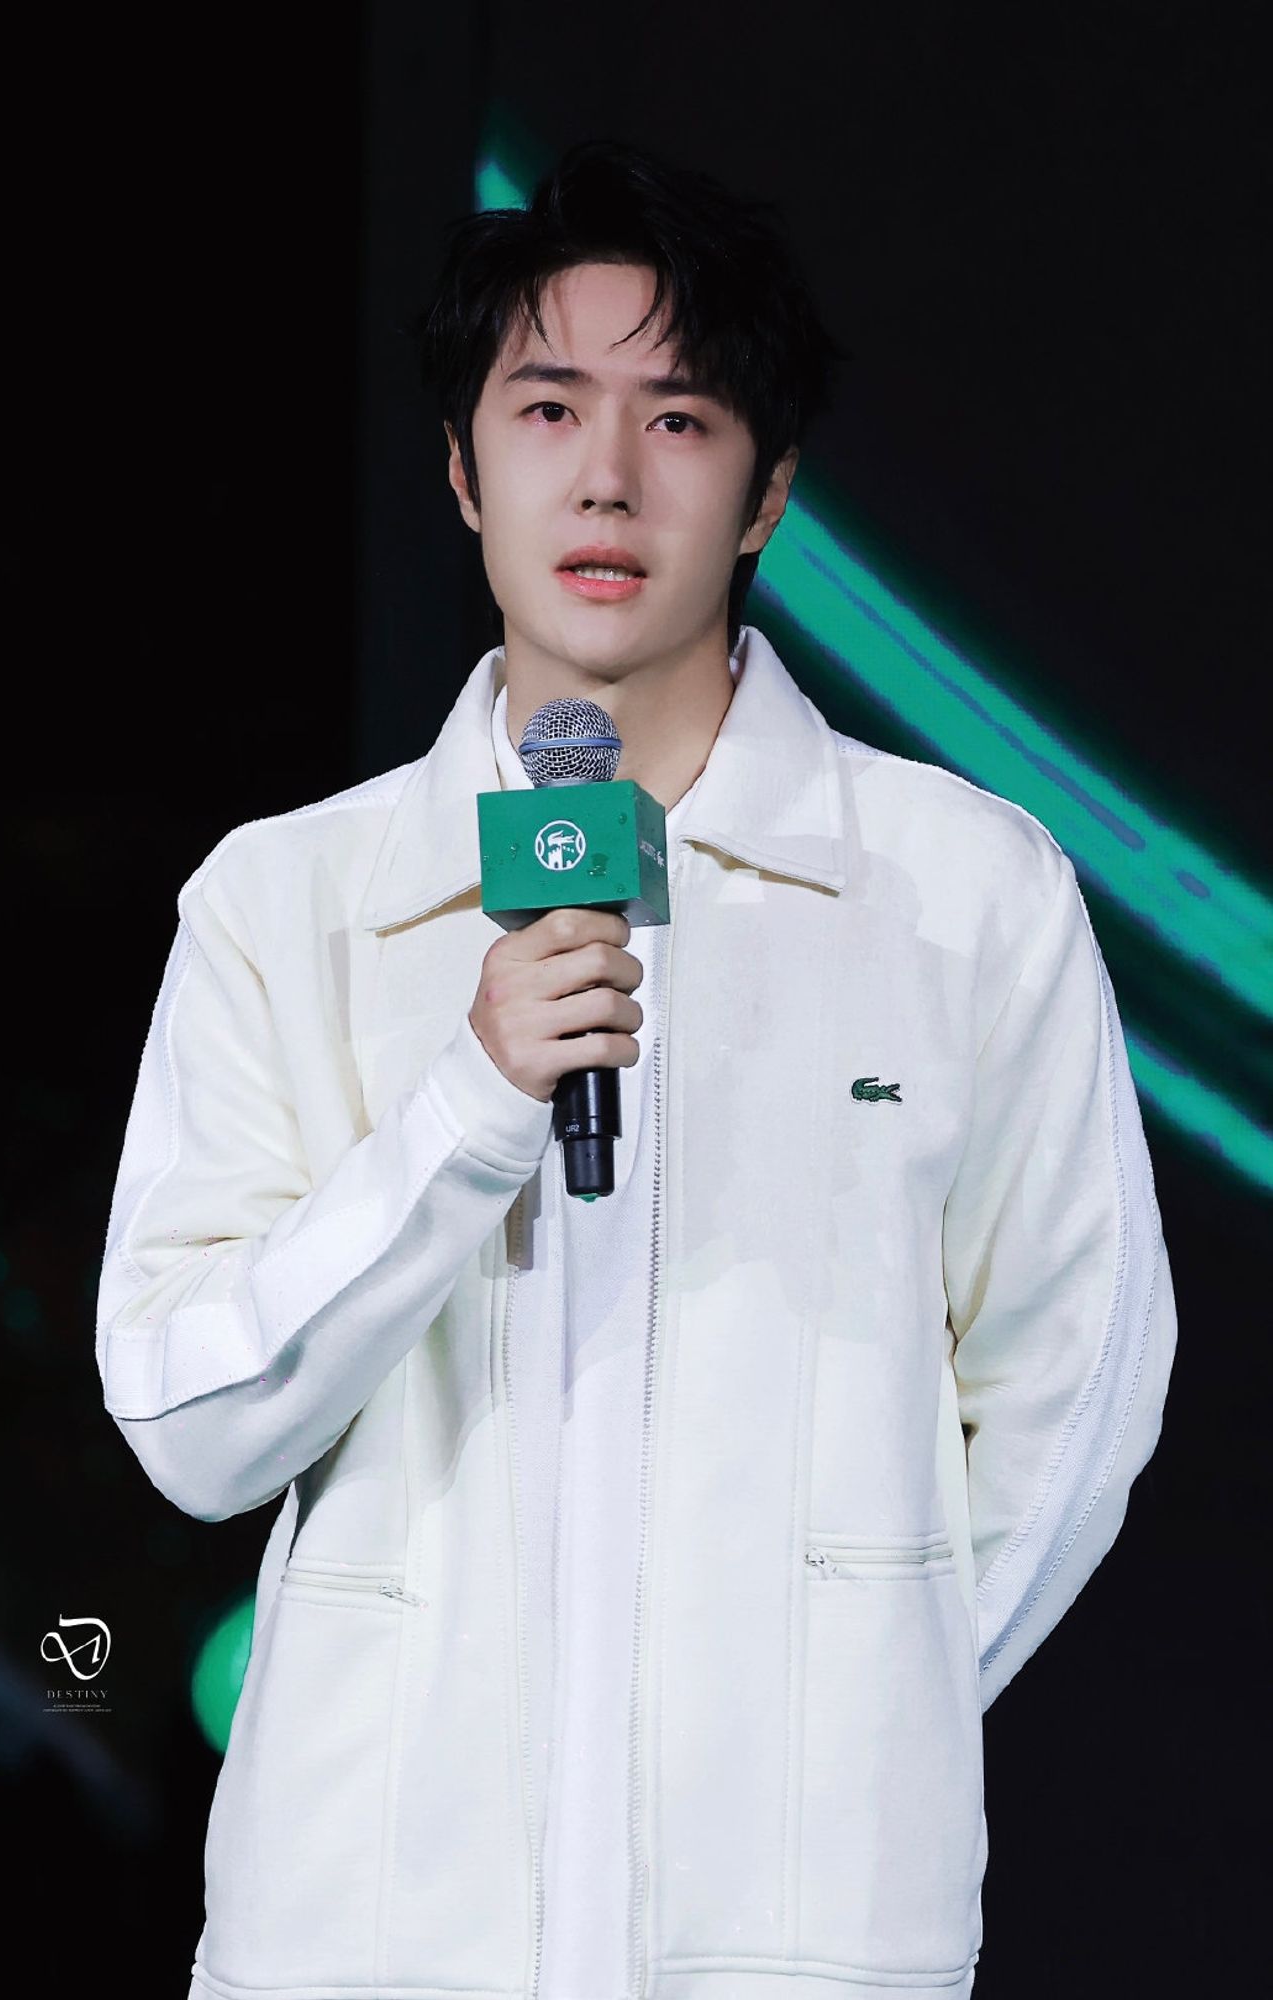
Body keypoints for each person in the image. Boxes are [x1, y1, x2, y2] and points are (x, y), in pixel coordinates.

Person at [95, 138, 1177, 2000]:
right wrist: (467, 1111)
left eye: (679, 418)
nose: (606, 475)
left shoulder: (960, 893)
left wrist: (851, 1720)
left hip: (796, 1947)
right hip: (369, 1939)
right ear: (461, 469)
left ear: (767, 493)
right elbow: (192, 1423)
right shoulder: (287, 901)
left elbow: (1073, 1396)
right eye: (546, 409)